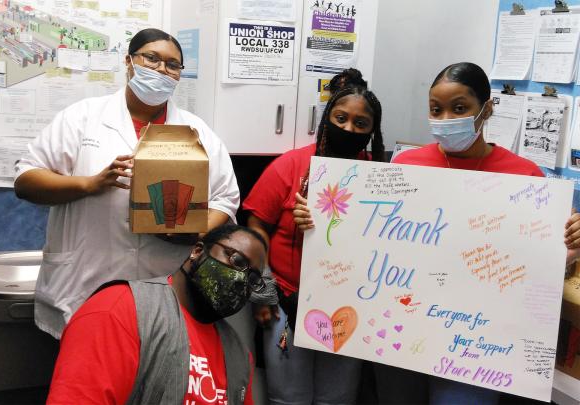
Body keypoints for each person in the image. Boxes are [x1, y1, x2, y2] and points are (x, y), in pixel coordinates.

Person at [294, 62, 580, 404]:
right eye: (436, 109)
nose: (445, 118)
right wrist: (318, 219)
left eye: (459, 108)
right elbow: (368, 241)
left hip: (474, 345)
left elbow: (540, 264)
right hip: (400, 333)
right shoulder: (406, 166)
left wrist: (571, 243)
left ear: (487, 109)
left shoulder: (525, 177)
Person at [14, 28, 240, 339]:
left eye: (173, 65)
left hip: (164, 286)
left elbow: (225, 199)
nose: (161, 69)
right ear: (129, 61)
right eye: (152, 58)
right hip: (85, 283)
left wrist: (192, 233)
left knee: (156, 381)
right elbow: (26, 180)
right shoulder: (83, 117)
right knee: (86, 378)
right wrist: (89, 185)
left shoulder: (196, 132)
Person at [243, 70, 385, 404]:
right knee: (287, 397)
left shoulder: (381, 177)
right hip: (287, 306)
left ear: (372, 131)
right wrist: (262, 290)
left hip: (350, 307)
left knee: (338, 397)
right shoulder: (290, 166)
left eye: (360, 124)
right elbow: (255, 225)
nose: (349, 129)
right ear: (327, 118)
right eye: (341, 118)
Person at [47, 224, 266, 404]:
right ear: (197, 251)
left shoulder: (238, 355)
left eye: (253, 279)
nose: (241, 279)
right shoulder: (120, 310)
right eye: (236, 260)